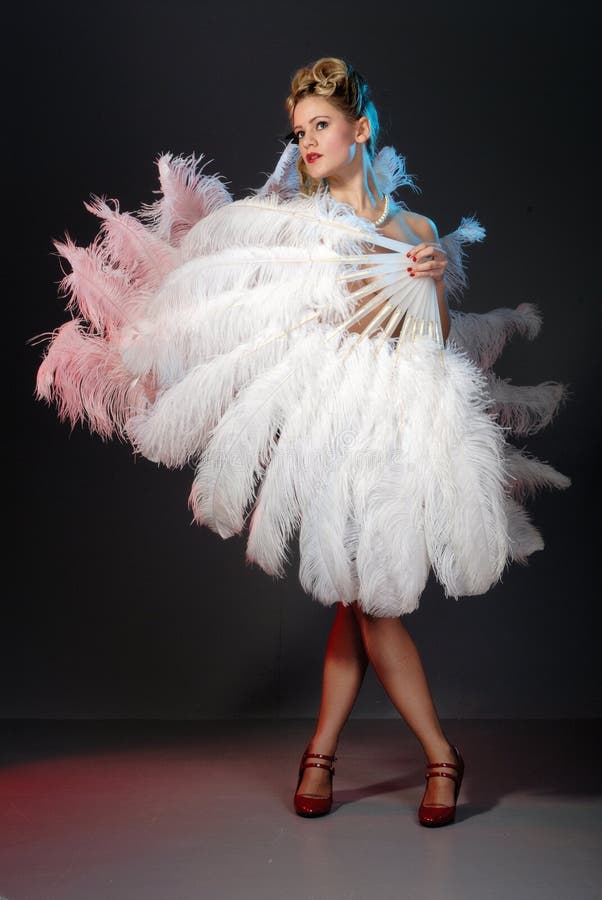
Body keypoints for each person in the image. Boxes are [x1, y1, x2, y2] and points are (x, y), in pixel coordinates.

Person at [35, 57, 570, 828]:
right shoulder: (299, 222)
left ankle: (370, 755)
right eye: (299, 130)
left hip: (402, 420)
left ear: (360, 130)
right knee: (359, 596)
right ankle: (420, 758)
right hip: (332, 420)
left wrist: (429, 279)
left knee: (367, 601)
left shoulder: (416, 230)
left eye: (321, 125)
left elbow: (435, 341)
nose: (308, 140)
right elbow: (262, 303)